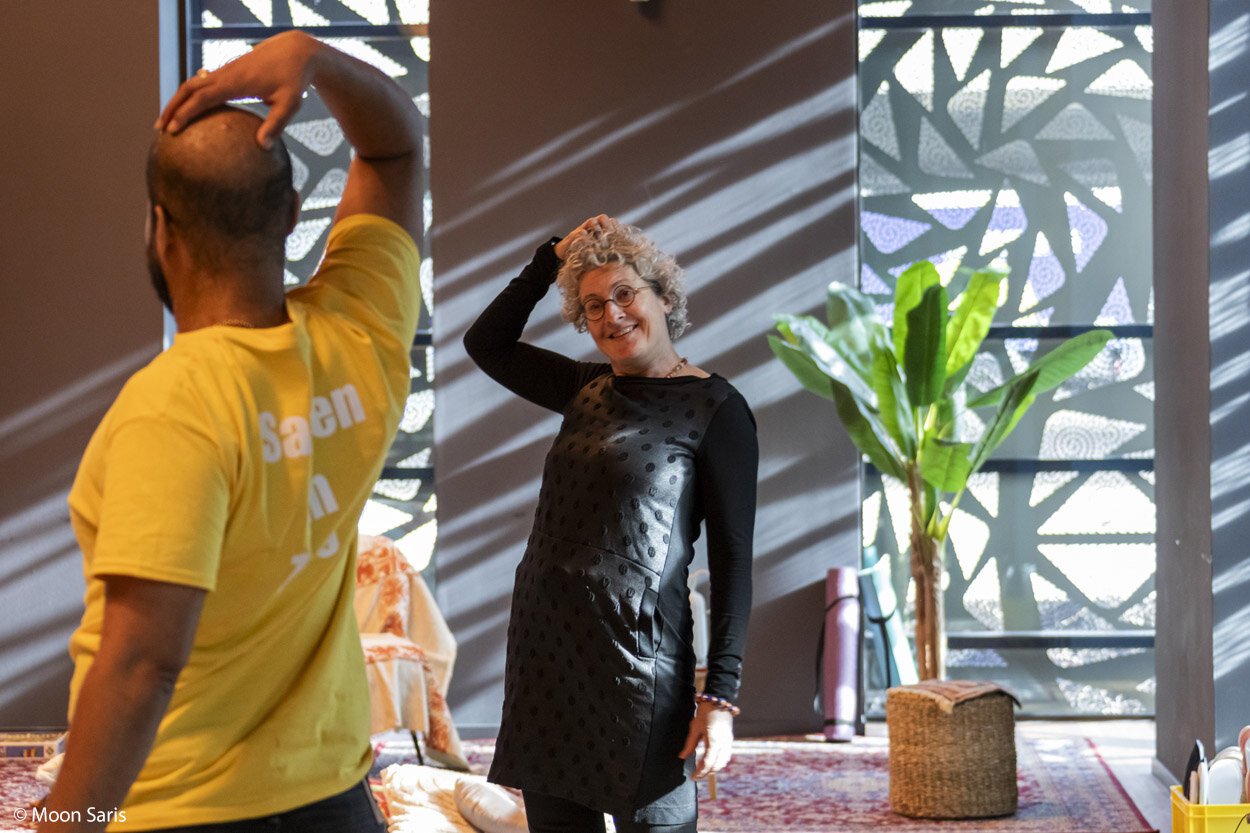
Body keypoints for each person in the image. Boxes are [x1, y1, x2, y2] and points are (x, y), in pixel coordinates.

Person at [39, 31, 422, 832]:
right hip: (334, 797)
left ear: (161, 228)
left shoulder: (173, 407)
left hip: (180, 808)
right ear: (291, 215)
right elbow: (394, 150)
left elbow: (142, 664)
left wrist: (68, 824)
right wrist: (315, 57)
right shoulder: (361, 329)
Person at [464, 215, 758, 833]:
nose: (612, 315)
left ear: (664, 298)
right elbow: (486, 342)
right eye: (594, 305)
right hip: (547, 652)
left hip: (637, 663)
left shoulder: (717, 409)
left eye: (626, 294)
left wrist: (720, 697)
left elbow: (733, 562)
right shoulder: (585, 386)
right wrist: (550, 260)